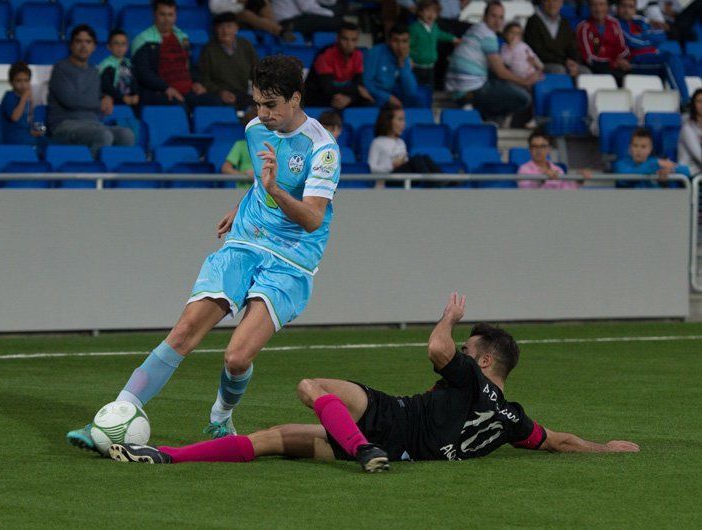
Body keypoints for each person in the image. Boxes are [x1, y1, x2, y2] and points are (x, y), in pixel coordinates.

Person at [66, 55, 342, 449]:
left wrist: (276, 191)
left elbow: (313, 218)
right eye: (257, 103)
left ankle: (221, 416)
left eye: (271, 105)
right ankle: (113, 418)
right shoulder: (256, 128)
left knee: (236, 359)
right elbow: (261, 183)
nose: (262, 114)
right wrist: (243, 207)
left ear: (295, 99)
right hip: (246, 241)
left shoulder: (323, 149)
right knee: (183, 331)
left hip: (291, 259)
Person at [106, 292, 640, 471]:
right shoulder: (509, 416)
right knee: (272, 439)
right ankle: (168, 456)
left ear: (482, 360)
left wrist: (449, 320)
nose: (462, 353)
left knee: (312, 387)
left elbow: (436, 349)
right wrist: (607, 448)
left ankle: (360, 450)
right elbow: (558, 442)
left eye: (470, 350)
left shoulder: (472, 380)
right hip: (406, 452)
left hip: (389, 420)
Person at [47, 25, 134, 155]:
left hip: (92, 124)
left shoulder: (94, 71)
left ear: (93, 47)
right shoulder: (60, 69)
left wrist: (106, 97)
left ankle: (114, 174)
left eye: (88, 42)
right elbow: (71, 100)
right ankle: (95, 173)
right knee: (103, 135)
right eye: (78, 41)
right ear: (71, 45)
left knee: (127, 135)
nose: (83, 46)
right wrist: (100, 103)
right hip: (64, 125)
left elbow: (97, 97)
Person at [445, 1, 536, 126]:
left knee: (506, 78)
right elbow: (501, 72)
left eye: (501, 17)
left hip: (454, 87)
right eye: (493, 16)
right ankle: (491, 117)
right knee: (524, 98)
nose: (497, 21)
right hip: (468, 89)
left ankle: (481, 112)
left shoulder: (476, 29)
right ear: (484, 16)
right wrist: (524, 82)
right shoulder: (487, 35)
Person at [131, 0, 220, 108]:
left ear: (175, 16)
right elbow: (143, 73)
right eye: (162, 14)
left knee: (215, 102)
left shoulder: (182, 37)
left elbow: (190, 65)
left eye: (170, 15)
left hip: (187, 91)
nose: (167, 19)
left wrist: (197, 82)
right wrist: (165, 88)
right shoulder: (143, 40)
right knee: (178, 106)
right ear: (154, 15)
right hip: (159, 91)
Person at [616, 0, 689, 103]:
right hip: (634, 62)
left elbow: (662, 35)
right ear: (617, 8)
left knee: (680, 60)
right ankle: (684, 103)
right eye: (623, 6)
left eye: (630, 7)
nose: (627, 10)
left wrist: (645, 38)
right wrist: (649, 38)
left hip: (652, 57)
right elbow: (634, 42)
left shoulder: (640, 22)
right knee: (669, 60)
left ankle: (688, 101)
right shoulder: (616, 24)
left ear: (635, 9)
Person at [304, 22, 374, 109]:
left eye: (353, 40)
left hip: (344, 94)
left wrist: (349, 98)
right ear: (337, 38)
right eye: (345, 39)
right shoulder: (325, 55)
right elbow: (327, 88)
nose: (349, 44)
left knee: (368, 102)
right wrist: (357, 89)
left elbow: (358, 82)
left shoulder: (358, 55)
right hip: (320, 94)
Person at [198, 12, 258, 108]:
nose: (225, 30)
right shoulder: (208, 49)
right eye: (221, 27)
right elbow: (204, 78)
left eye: (229, 26)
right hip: (218, 94)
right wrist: (220, 92)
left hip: (242, 93)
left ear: (236, 28)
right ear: (216, 29)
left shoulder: (246, 45)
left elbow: (257, 72)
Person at [368, 103, 442, 179]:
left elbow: (405, 163)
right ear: (388, 121)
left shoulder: (401, 142)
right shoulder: (377, 142)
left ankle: (444, 180)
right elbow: (371, 168)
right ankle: (430, 182)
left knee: (425, 157)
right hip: (389, 177)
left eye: (404, 120)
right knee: (416, 159)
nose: (404, 124)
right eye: (400, 119)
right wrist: (392, 165)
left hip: (404, 176)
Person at [364, 24, 421, 108]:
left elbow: (411, 91)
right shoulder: (374, 53)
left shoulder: (405, 56)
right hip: (376, 95)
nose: (400, 46)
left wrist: (402, 64)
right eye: (396, 41)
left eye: (404, 41)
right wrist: (387, 97)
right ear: (389, 40)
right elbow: (366, 83)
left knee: (418, 100)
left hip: (395, 94)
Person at [524, 0, 587, 77]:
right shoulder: (533, 22)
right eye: (548, 1)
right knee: (559, 70)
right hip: (542, 64)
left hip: (563, 63)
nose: (552, 4)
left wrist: (573, 62)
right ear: (542, 2)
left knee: (585, 71)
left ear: (561, 3)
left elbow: (572, 47)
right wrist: (564, 62)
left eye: (555, 1)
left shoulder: (565, 23)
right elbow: (537, 51)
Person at [576, 0, 630, 85]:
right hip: (596, 69)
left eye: (602, 4)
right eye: (594, 5)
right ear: (589, 8)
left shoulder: (614, 23)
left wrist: (621, 61)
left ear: (607, 7)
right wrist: (613, 63)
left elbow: (622, 49)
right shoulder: (584, 27)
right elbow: (589, 58)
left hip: (615, 67)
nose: (598, 9)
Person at [409, 0, 460, 87]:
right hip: (416, 67)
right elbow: (408, 45)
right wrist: (409, 59)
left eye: (435, 12)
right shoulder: (414, 28)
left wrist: (453, 39)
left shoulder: (434, 27)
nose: (431, 14)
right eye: (428, 10)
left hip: (430, 66)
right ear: (420, 12)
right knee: (415, 89)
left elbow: (441, 34)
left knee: (429, 89)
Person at [517, 130, 584, 189]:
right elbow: (525, 191)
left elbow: (566, 191)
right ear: (530, 149)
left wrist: (579, 180)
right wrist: (542, 178)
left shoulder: (558, 170)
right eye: (534, 146)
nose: (538, 150)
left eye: (543, 146)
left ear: (549, 149)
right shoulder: (523, 169)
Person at [614, 127, 680, 187]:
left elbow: (684, 170)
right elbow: (627, 177)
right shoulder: (620, 165)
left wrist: (671, 171)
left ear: (650, 148)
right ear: (630, 147)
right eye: (635, 146)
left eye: (643, 147)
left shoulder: (656, 162)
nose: (639, 150)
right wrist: (657, 164)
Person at [0, 61, 44, 146]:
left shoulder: (30, 100)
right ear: (11, 82)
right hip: (15, 137)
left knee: (48, 142)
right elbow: (15, 117)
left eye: (26, 80)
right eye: (19, 81)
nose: (23, 84)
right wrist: (24, 98)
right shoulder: (9, 96)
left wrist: (41, 131)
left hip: (28, 135)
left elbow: (34, 120)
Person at [99, 29, 140, 109]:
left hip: (129, 100)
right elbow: (107, 87)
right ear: (109, 46)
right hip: (113, 101)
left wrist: (136, 94)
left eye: (123, 44)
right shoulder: (106, 65)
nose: (120, 47)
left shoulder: (129, 63)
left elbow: (134, 81)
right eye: (116, 43)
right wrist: (122, 97)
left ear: (127, 47)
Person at [208, 0, 285, 39]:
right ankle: (278, 30)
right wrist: (239, 4)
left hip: (243, 11)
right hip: (227, 16)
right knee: (247, 14)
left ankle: (272, 27)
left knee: (263, 2)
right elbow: (214, 8)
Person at [221, 106, 257, 188]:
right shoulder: (240, 144)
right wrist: (243, 175)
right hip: (244, 193)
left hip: (267, 194)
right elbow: (226, 168)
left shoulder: (273, 145)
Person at [270, 0, 343, 39]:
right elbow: (307, 7)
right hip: (287, 22)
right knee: (334, 22)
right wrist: (330, 15)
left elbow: (330, 1)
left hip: (294, 19)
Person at [680, 88, 702, 175]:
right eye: (699, 101)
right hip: (688, 171)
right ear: (693, 104)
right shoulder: (687, 128)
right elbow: (700, 156)